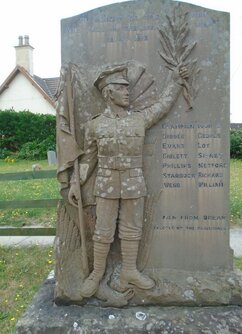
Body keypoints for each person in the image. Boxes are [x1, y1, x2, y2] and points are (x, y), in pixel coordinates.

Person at [68, 64, 188, 297]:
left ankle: (129, 271)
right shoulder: (94, 125)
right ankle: (97, 273)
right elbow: (88, 159)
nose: (128, 92)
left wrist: (175, 81)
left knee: (132, 230)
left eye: (128, 88)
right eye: (122, 88)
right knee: (103, 232)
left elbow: (162, 106)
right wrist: (75, 182)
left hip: (134, 184)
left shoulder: (139, 120)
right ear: (108, 92)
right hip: (106, 185)